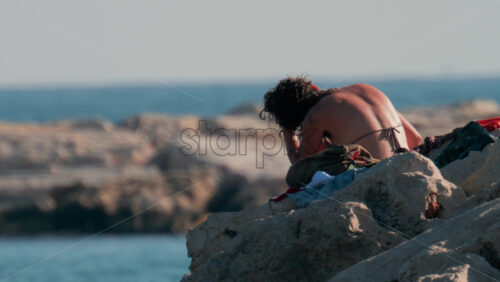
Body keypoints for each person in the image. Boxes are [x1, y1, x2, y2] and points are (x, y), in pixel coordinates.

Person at [260, 76, 422, 163]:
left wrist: (286, 128)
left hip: (378, 171)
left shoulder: (316, 115)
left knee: (296, 176)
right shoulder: (365, 88)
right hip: (408, 159)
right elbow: (415, 138)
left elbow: (301, 165)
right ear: (313, 87)